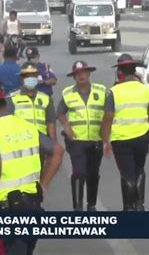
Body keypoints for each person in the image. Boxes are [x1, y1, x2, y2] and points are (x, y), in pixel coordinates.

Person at [0, 78, 63, 254]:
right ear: (5, 104)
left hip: (5, 209)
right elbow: (57, 151)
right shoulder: (26, 127)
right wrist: (43, 185)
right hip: (32, 206)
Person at [100, 54, 149, 212]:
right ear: (135, 72)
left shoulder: (114, 92)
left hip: (121, 139)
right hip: (141, 137)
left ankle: (128, 207)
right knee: (139, 169)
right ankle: (139, 205)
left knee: (126, 173)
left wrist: (105, 141)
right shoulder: (145, 89)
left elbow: (108, 118)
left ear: (120, 73)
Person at [58, 61, 106, 211]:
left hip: (96, 139)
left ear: (89, 74)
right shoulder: (68, 93)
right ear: (74, 77)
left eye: (84, 73)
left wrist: (106, 137)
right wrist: (66, 127)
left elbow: (109, 113)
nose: (81, 76)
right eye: (78, 74)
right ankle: (77, 207)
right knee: (79, 172)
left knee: (93, 174)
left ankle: (91, 205)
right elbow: (60, 112)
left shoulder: (102, 91)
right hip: (76, 140)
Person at [7, 62, 56, 139]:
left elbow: (50, 122)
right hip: (21, 142)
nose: (30, 78)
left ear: (37, 77)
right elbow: (7, 124)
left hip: (43, 142)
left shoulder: (46, 99)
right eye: (27, 76)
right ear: (21, 78)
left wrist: (53, 142)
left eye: (33, 75)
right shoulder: (12, 98)